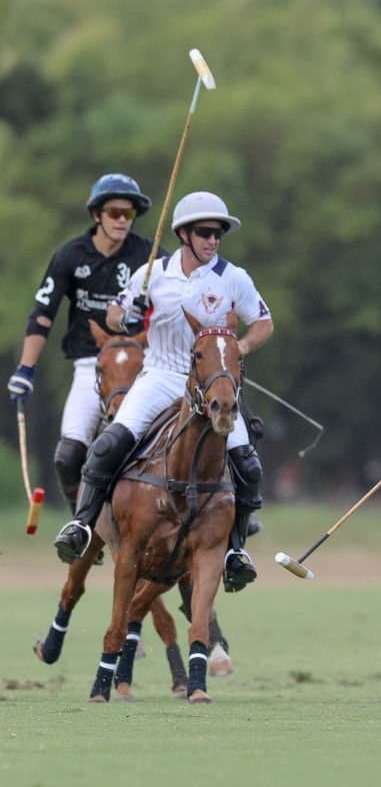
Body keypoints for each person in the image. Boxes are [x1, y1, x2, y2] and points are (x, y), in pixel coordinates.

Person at [52, 191, 275, 590]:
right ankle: (82, 526)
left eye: (218, 233)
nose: (213, 240)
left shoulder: (233, 278)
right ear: (184, 234)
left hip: (212, 384)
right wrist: (127, 316)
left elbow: (262, 322)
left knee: (247, 462)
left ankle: (236, 550)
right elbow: (115, 314)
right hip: (160, 376)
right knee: (108, 445)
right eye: (205, 232)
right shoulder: (152, 274)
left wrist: (238, 349)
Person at [8, 174, 165, 515]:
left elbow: (177, 300)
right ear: (97, 215)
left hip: (147, 366)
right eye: (114, 212)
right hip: (90, 364)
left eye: (129, 213)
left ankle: (230, 507)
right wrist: (26, 368)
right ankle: (81, 521)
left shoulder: (149, 256)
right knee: (68, 456)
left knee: (193, 432)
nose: (123, 219)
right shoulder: (70, 256)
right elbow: (42, 315)